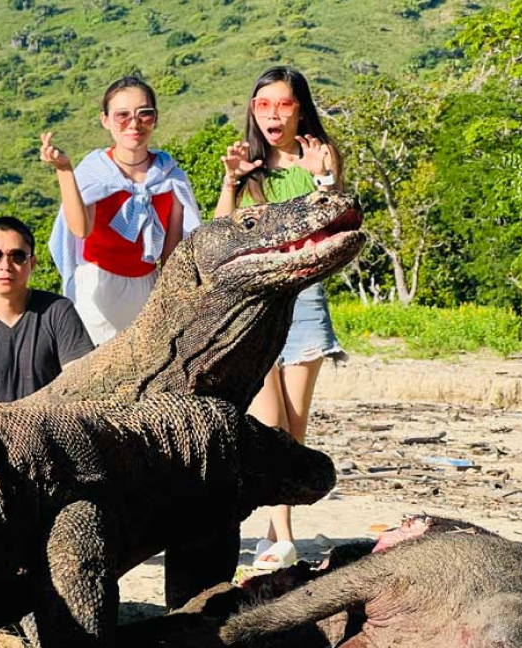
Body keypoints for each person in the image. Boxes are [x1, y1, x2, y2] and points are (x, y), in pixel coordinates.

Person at [213, 65, 347, 570]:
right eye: (263, 104)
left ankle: (278, 533)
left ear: (300, 109)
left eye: (283, 104)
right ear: (253, 109)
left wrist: (324, 178)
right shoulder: (247, 164)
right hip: (260, 300)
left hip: (307, 299)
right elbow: (222, 231)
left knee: (293, 424)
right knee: (267, 419)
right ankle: (281, 535)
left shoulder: (320, 157)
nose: (272, 113)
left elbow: (336, 220)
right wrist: (233, 181)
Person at [43, 77, 202, 346]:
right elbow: (80, 229)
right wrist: (65, 171)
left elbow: (172, 255)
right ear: (105, 120)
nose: (134, 123)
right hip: (98, 289)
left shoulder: (171, 178)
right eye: (122, 115)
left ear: (156, 117)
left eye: (144, 114)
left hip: (148, 289)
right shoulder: (95, 172)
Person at [0, 217, 94, 408]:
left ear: (32, 263)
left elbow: (82, 386)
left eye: (17, 256)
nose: (5, 265)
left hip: (52, 428)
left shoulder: (58, 311)